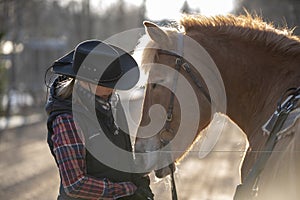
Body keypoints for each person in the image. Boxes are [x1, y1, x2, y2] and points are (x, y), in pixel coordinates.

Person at [45, 39, 154, 200]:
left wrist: (139, 179)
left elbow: (123, 154)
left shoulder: (112, 105)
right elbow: (75, 185)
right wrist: (126, 190)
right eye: (106, 83)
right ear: (84, 80)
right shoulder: (67, 120)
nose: (113, 88)